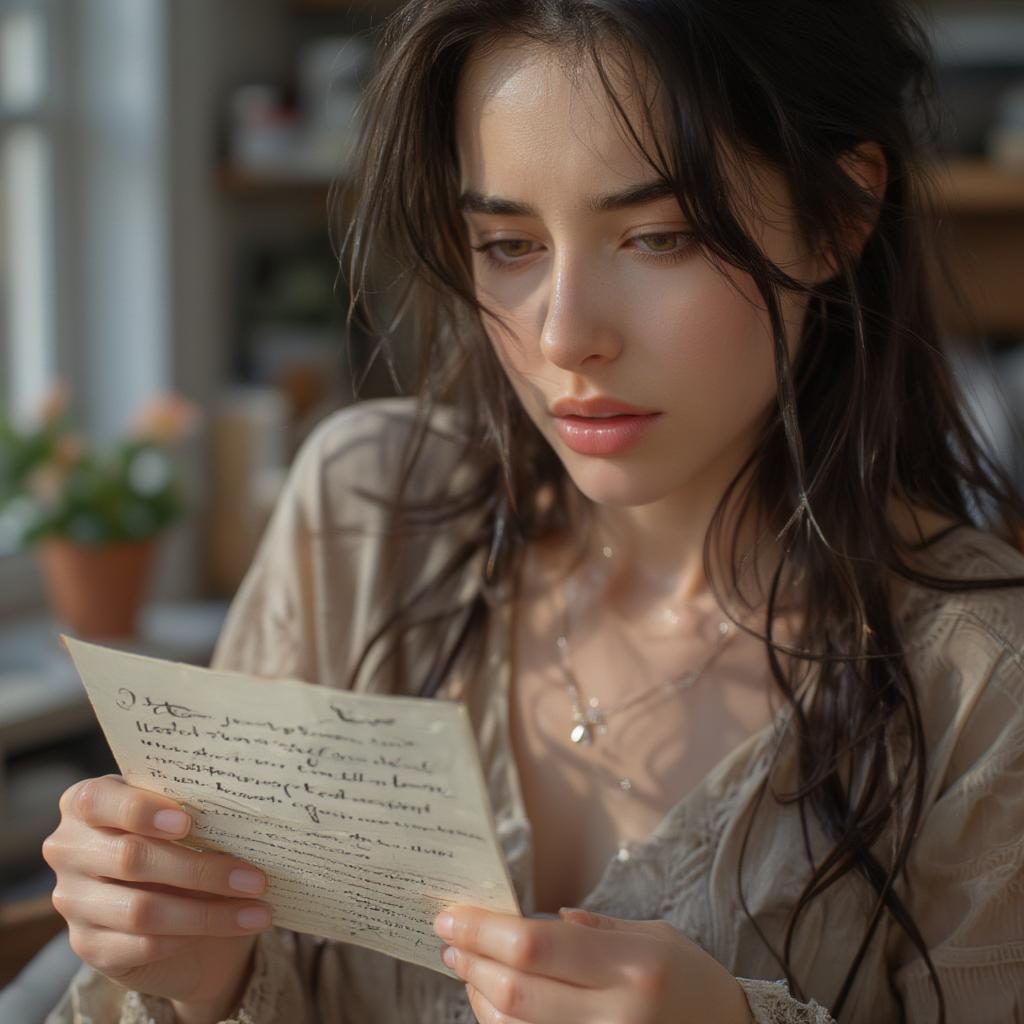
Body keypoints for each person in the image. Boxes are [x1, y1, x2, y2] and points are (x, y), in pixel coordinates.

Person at [41, 1, 1024, 1022]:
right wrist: (201, 975)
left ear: (839, 213)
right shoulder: (365, 516)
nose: (565, 337)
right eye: (508, 244)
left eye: (658, 235)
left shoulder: (981, 683)